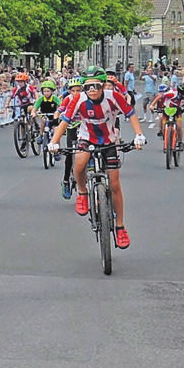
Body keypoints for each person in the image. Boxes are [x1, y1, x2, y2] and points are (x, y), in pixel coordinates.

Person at [48, 70, 146, 249]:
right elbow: (64, 121)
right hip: (87, 137)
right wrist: (54, 141)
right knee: (79, 162)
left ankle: (120, 227)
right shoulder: (78, 99)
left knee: (115, 184)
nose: (91, 90)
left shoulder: (113, 96)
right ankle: (83, 192)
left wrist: (139, 134)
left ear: (102, 85)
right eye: (88, 87)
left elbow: (130, 114)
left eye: (96, 86)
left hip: (109, 140)